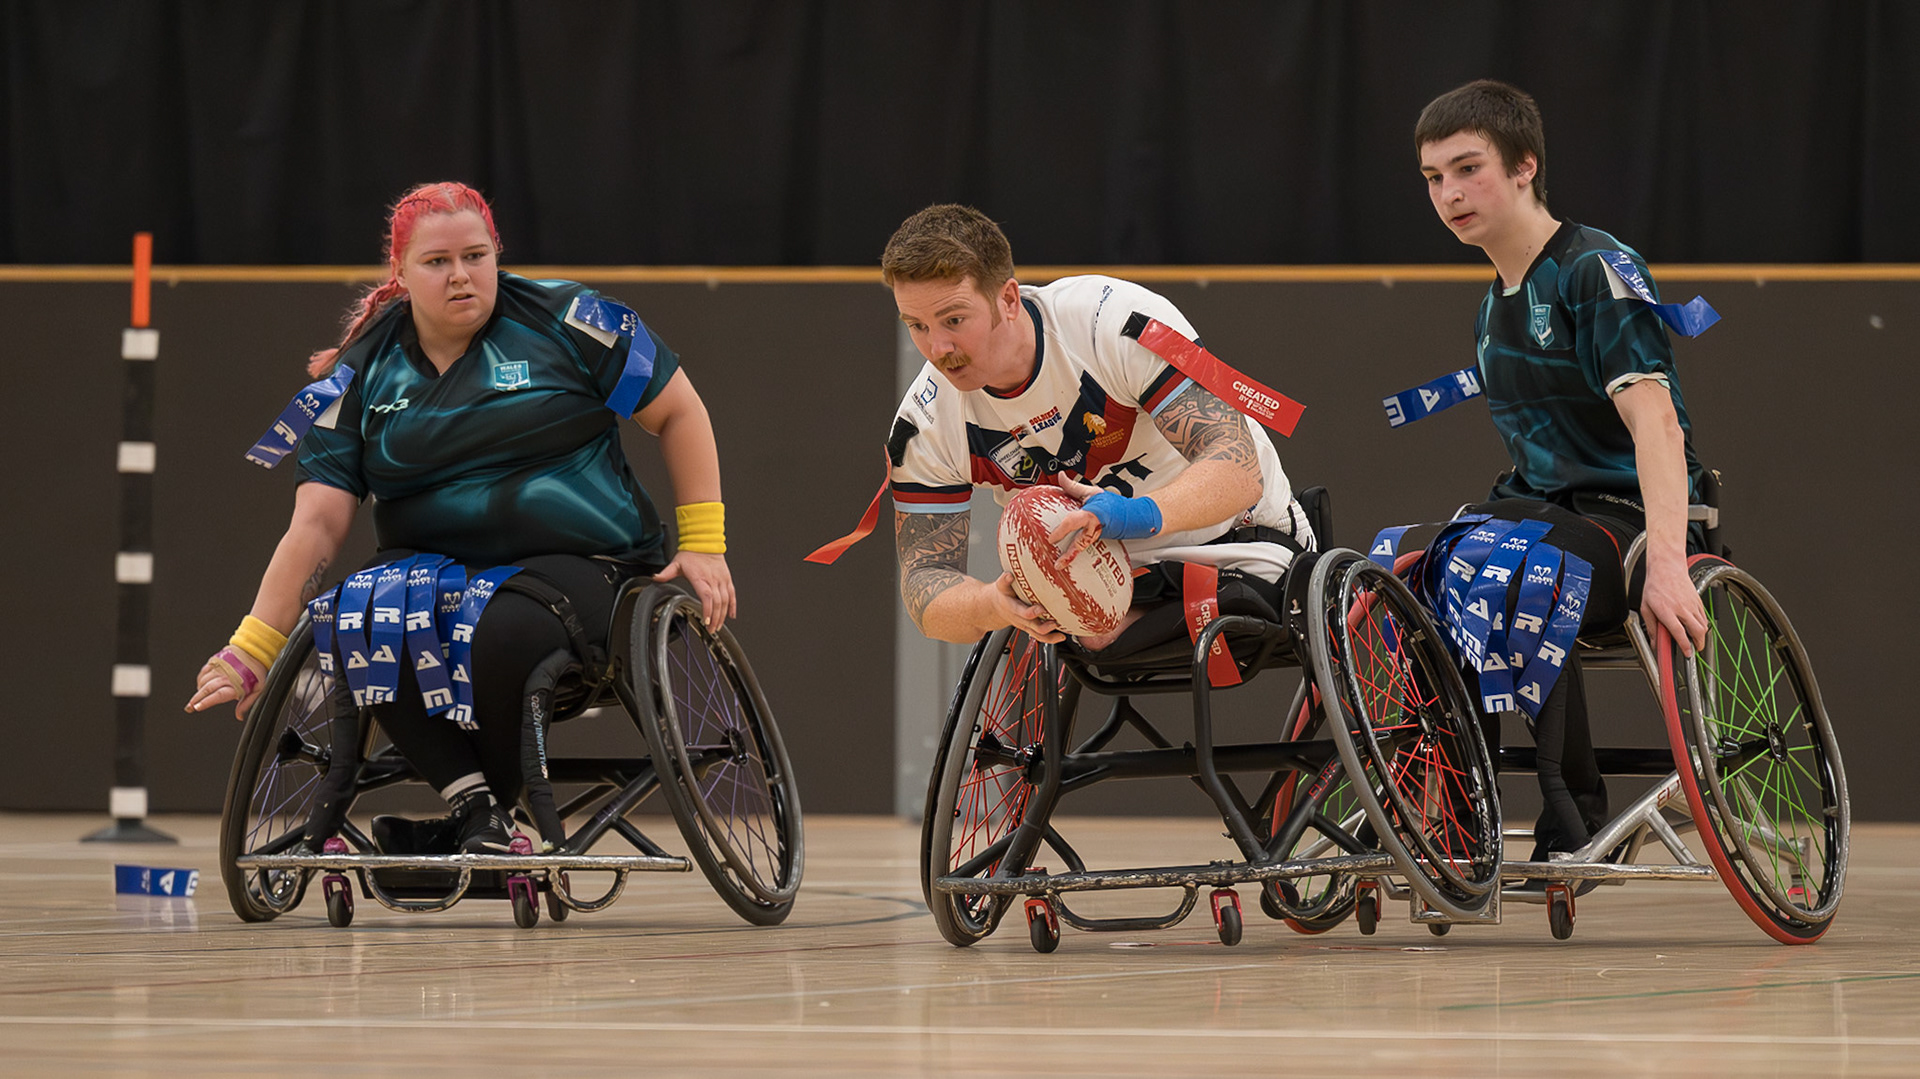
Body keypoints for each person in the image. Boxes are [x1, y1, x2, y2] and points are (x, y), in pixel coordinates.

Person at [186, 181, 736, 854]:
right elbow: (317, 525)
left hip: (588, 569)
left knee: (493, 626)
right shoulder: (354, 375)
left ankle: (487, 813)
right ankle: (477, 809)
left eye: (476, 256)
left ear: (497, 254)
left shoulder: (573, 318)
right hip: (431, 576)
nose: (461, 276)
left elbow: (682, 412)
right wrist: (254, 644)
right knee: (355, 618)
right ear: (400, 273)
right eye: (437, 262)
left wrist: (705, 543)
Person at [1411, 80, 1711, 861]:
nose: (1449, 193)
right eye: (1434, 178)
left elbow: (1659, 424)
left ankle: (1572, 815)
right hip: (1544, 514)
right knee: (1412, 569)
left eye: (1468, 169)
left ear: (1524, 166)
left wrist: (1671, 565)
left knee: (1521, 564)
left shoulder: (1597, 267)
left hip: (1627, 523)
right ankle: (1454, 815)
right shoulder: (1491, 306)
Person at [879, 204, 1312, 657]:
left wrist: (1129, 515)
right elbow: (924, 582)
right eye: (917, 326)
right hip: (1105, 579)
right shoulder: (925, 422)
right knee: (1056, 633)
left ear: (1007, 300)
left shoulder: (1111, 322)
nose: (938, 348)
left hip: (1237, 540)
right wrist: (991, 604)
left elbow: (1239, 470)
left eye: (953, 320)